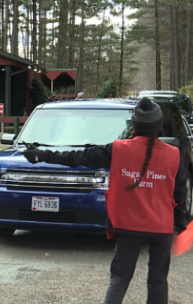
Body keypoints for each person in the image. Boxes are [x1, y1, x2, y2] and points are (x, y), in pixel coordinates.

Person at [21, 98, 187, 304]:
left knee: (119, 278)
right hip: (162, 227)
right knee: (158, 280)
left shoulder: (118, 149)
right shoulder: (175, 155)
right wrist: (179, 223)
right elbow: (180, 195)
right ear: (159, 125)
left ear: (134, 124)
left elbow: (77, 158)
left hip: (129, 225)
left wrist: (40, 155)